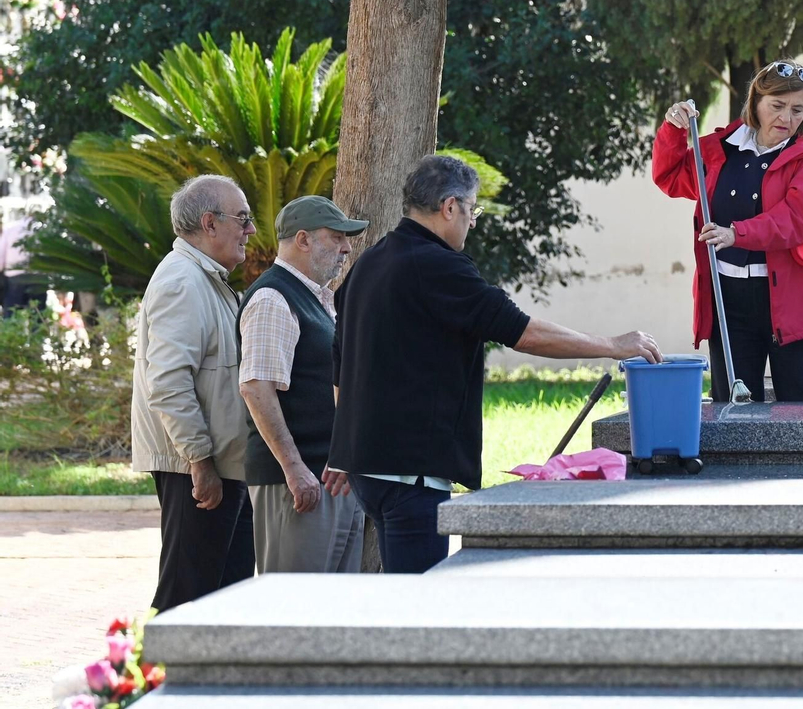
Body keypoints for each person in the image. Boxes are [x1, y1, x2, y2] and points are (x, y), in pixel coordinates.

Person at [328, 155, 660, 574]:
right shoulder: (438, 266)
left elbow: (339, 364)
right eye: (472, 210)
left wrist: (346, 444)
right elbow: (522, 332)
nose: (473, 221)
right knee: (417, 608)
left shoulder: (369, 262)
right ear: (450, 207)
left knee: (399, 596)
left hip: (365, 466)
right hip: (411, 472)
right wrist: (612, 344)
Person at [653, 60, 803, 402]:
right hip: (729, 303)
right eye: (777, 106)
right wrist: (672, 129)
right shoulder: (719, 148)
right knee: (733, 417)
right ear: (755, 102)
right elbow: (671, 177)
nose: (787, 118)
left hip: (795, 303)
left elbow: (798, 219)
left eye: (798, 109)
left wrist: (736, 234)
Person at [131, 174, 255, 611]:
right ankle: (153, 679)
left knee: (225, 594)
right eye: (243, 218)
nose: (251, 229)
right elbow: (166, 382)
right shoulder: (183, 281)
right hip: (197, 469)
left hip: (219, 463)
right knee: (186, 599)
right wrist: (200, 462)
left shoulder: (207, 279)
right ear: (209, 223)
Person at [238, 196, 369, 574]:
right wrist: (294, 471)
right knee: (292, 612)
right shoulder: (273, 298)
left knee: (331, 612)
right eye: (336, 237)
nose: (347, 247)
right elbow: (256, 388)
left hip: (329, 481)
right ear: (303, 240)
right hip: (297, 487)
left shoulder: (317, 299)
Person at [0, 214, 45, 316]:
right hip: (39, 277)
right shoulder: (43, 229)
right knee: (38, 316)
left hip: (15, 277)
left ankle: (12, 332)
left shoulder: (10, 228)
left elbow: (1, 255)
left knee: (12, 314)